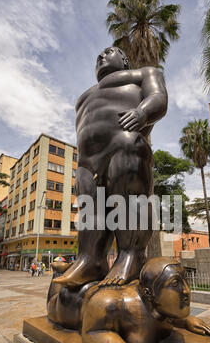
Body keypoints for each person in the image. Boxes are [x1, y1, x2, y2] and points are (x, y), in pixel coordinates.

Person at [53, 47, 168, 289]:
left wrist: (142, 112)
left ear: (125, 59)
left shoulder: (144, 73)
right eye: (98, 57)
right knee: (90, 209)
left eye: (108, 52)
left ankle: (131, 256)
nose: (101, 57)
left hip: (125, 143)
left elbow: (159, 98)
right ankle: (90, 260)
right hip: (88, 161)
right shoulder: (83, 98)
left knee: (128, 198)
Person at [48, 257, 210, 343]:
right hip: (73, 302)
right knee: (52, 307)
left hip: (100, 288)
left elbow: (160, 311)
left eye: (185, 282)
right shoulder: (111, 302)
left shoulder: (154, 302)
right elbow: (92, 331)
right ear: (148, 294)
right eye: (175, 284)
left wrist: (184, 320)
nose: (186, 291)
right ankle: (58, 271)